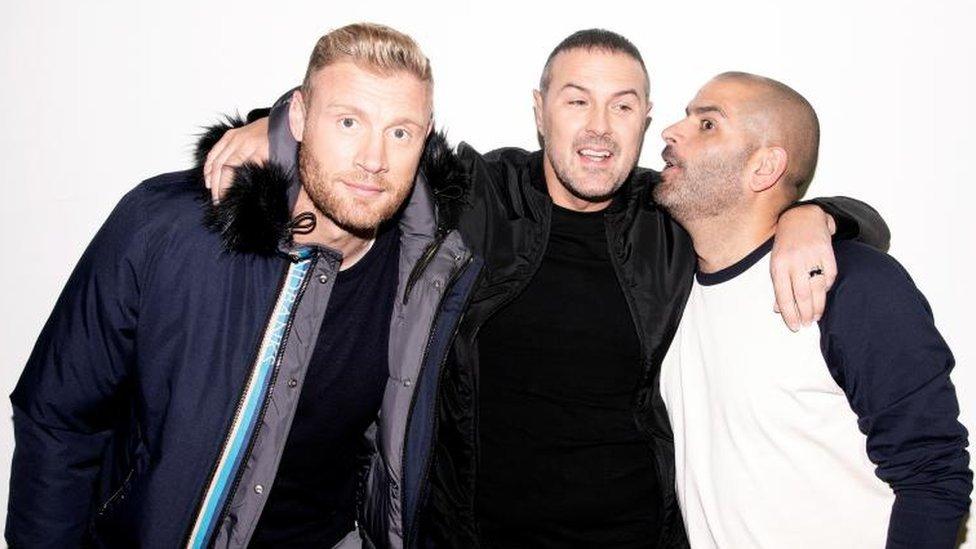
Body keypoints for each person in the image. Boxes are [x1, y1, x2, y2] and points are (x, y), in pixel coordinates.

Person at [204, 30, 889, 548]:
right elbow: (370, 146)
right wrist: (270, 134)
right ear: (540, 111)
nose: (598, 126)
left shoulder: (672, 218)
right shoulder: (472, 194)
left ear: (645, 120)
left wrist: (820, 214)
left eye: (621, 105)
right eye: (576, 100)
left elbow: (779, 201)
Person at [6, 23, 483, 549]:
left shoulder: (430, 266)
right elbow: (59, 418)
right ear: (298, 117)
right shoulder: (166, 229)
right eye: (348, 121)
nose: (374, 159)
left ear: (426, 135)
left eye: (400, 132)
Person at [654, 72, 972, 548]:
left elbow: (932, 475)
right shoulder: (667, 285)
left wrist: (816, 214)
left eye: (707, 124)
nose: (671, 132)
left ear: (764, 168)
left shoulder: (855, 284)